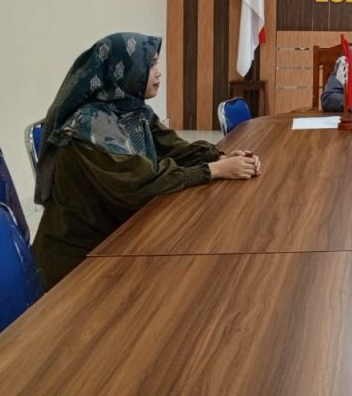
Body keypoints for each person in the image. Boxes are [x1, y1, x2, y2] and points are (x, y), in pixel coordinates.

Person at [32, 33, 261, 288]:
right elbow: (141, 183)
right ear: (122, 71)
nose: (158, 73)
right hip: (79, 263)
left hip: (121, 237)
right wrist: (213, 170)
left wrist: (220, 156)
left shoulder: (132, 110)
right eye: (150, 65)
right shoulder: (90, 127)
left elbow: (174, 148)